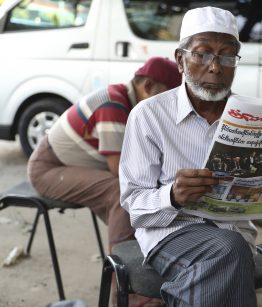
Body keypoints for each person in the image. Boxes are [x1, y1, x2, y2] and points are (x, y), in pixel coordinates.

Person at [119, 6, 262, 306]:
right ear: (180, 60)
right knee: (230, 252)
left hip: (236, 235)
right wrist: (172, 196)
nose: (215, 67)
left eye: (227, 56)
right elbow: (134, 207)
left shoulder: (259, 118)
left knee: (230, 251)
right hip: (170, 234)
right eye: (202, 54)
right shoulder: (148, 116)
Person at [27, 57, 182, 253]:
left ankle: (141, 251)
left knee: (143, 196)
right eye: (167, 98)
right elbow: (120, 171)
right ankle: (120, 273)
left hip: (74, 164)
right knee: (120, 192)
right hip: (48, 168)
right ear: (148, 86)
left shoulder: (131, 104)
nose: (170, 106)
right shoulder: (113, 104)